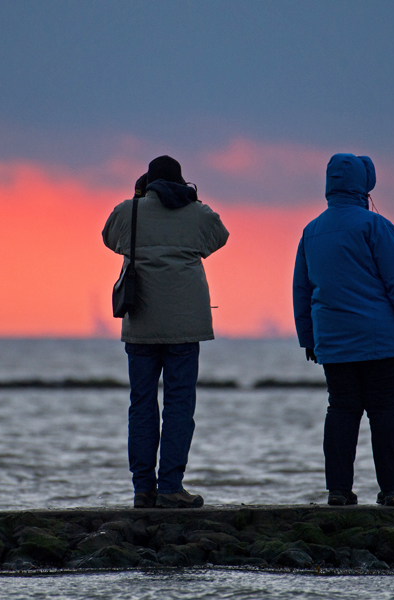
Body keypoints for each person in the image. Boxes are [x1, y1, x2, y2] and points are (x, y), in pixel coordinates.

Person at [292, 153, 394, 507]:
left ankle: (338, 491)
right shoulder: (376, 226)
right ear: (362, 186)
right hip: (382, 339)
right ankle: (392, 491)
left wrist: (308, 338)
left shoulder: (311, 231)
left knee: (341, 410)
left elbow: (302, 291)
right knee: (385, 411)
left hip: (333, 341)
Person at [102, 155, 229, 508]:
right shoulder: (197, 214)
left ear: (147, 183)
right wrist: (194, 201)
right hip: (185, 325)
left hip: (141, 322)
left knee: (141, 404)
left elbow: (109, 237)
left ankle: (143, 490)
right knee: (179, 405)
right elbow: (219, 235)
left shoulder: (131, 210)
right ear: (182, 184)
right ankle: (171, 487)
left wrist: (138, 199)